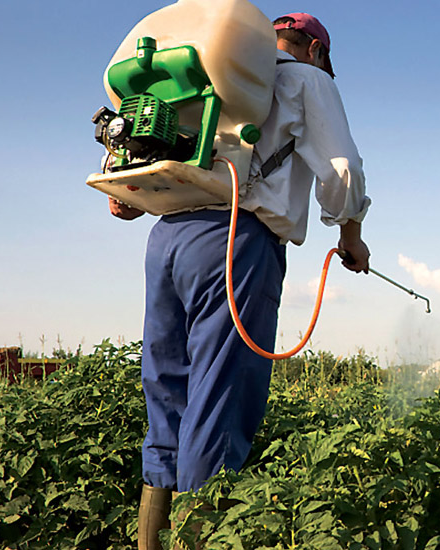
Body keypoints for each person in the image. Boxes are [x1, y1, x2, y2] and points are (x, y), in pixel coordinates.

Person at [111, 13, 371, 550]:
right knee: (219, 401)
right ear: (317, 51)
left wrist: (129, 195)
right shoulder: (305, 78)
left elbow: (132, 174)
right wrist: (351, 234)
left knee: (167, 393)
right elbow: (340, 168)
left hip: (166, 239)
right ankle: (196, 540)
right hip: (235, 240)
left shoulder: (206, 68)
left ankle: (150, 542)